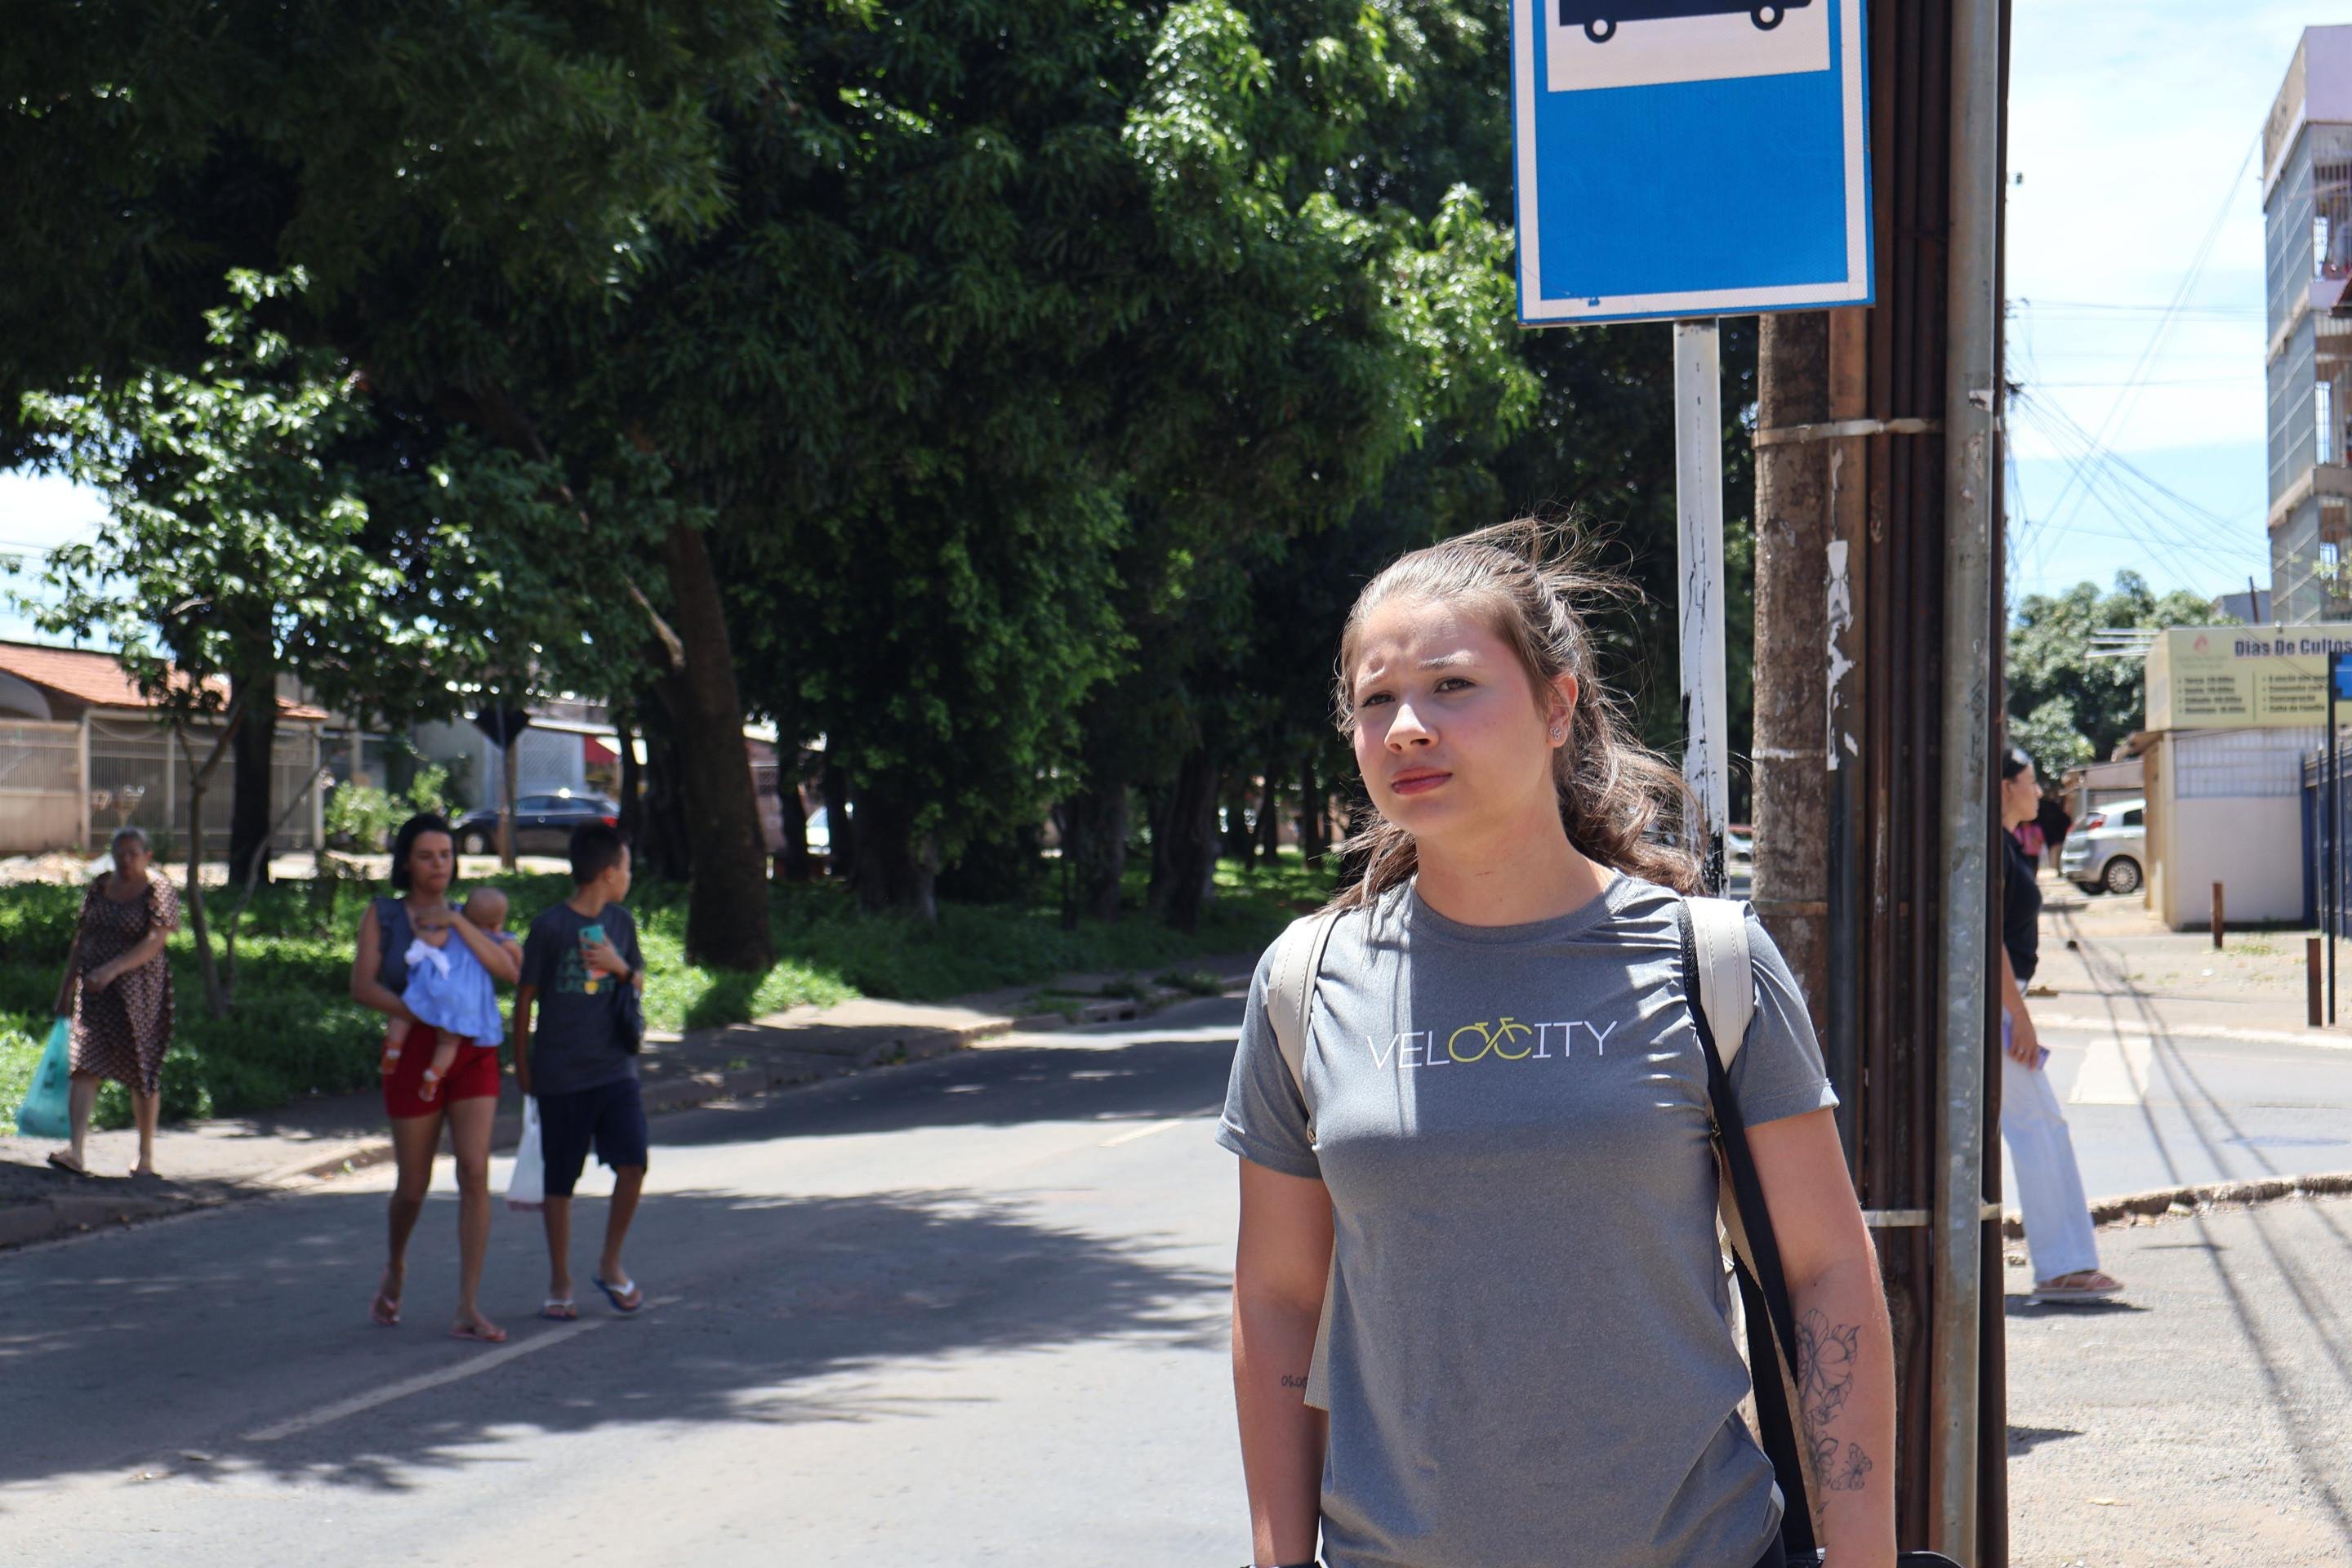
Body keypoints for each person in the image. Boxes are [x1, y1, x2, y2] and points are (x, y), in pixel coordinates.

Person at [1218, 521, 1897, 1568]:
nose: (1406, 727)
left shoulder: (1707, 963)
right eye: (1374, 700)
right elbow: (1279, 1299)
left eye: (1451, 686)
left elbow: (1824, 1274)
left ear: (1556, 706)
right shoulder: (1306, 985)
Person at [350, 813, 522, 1343]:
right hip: (415, 1048)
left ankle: (468, 1305)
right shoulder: (384, 915)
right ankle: (397, 1264)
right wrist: (424, 1015)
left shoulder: (474, 913)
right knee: (413, 1186)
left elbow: (511, 971)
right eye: (426, 856)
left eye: (446, 855)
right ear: (406, 861)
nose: (438, 866)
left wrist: (460, 923)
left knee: (475, 1171)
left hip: (472, 1049)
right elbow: (362, 986)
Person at [1998, 751, 2122, 1305]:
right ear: (2005, 788)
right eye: (2031, 782)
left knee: (2042, 1125)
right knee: (2039, 1128)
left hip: (2004, 1002)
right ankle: (2063, 1267)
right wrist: (2018, 1017)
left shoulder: (2006, 845)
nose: (2040, 792)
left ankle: (2067, 1264)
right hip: (1997, 1007)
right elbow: (1988, 938)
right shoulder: (1993, 849)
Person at [515, 822, 649, 1321]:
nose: (629, 876)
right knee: (560, 1181)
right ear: (609, 872)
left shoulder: (622, 923)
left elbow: (635, 985)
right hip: (560, 1072)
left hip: (615, 1068)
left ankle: (610, 1264)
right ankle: (559, 1280)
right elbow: (524, 1000)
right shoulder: (550, 927)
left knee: (633, 1161)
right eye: (628, 868)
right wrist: (522, 1067)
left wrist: (620, 968)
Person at [47, 826, 179, 1179]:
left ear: (147, 856)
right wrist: (66, 987)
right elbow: (82, 937)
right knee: (84, 1064)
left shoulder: (158, 888)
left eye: (133, 853)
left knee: (142, 1070)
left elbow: (156, 940)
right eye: (120, 853)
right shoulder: (101, 886)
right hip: (93, 992)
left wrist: (113, 970)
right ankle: (75, 1151)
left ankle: (145, 1157)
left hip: (139, 992)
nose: (126, 860)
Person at [382, 886, 513, 1103]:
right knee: (449, 1042)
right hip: (465, 1001)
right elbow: (514, 964)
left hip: (438, 986)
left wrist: (419, 929)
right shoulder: (494, 939)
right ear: (496, 924)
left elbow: (432, 940)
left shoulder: (450, 927)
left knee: (407, 1009)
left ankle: (394, 1046)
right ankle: (434, 1073)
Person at [2034, 791, 2073, 875]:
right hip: (2057, 837)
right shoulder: (2055, 809)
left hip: (2053, 838)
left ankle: (2059, 871)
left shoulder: (2046, 809)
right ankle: (2059, 871)